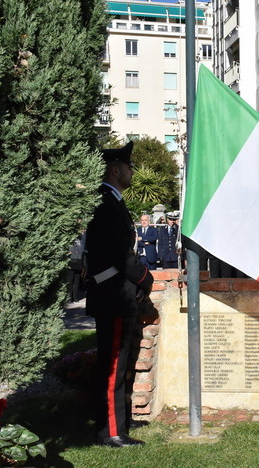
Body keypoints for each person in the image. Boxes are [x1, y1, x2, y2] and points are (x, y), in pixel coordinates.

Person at [85, 141, 153, 448]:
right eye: (128, 166)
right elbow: (120, 256)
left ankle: (117, 425)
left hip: (116, 294)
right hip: (113, 295)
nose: (131, 171)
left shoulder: (112, 201)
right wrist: (144, 278)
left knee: (118, 362)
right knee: (113, 365)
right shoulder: (106, 203)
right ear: (115, 170)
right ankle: (111, 432)